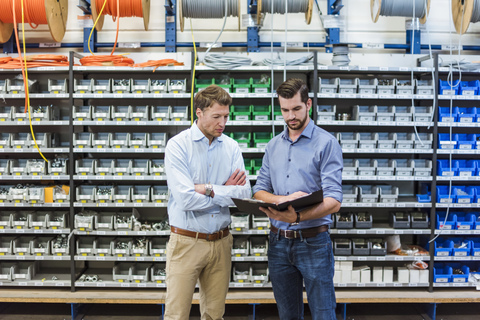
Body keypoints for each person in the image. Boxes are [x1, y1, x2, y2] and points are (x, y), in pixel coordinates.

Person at [252, 78, 343, 320]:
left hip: (314, 242)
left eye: (296, 109)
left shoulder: (326, 143)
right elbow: (259, 190)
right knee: (287, 315)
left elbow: (334, 200)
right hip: (278, 243)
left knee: (323, 313)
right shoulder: (273, 146)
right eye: (284, 110)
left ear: (308, 104)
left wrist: (298, 216)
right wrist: (283, 199)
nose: (290, 116)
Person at [164, 84, 251, 320]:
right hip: (186, 242)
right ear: (199, 112)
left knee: (215, 315)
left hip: (221, 242)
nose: (222, 123)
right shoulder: (178, 146)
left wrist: (209, 189)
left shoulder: (231, 147)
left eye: (225, 116)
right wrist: (225, 193)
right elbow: (185, 199)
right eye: (216, 116)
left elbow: (244, 195)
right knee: (177, 315)